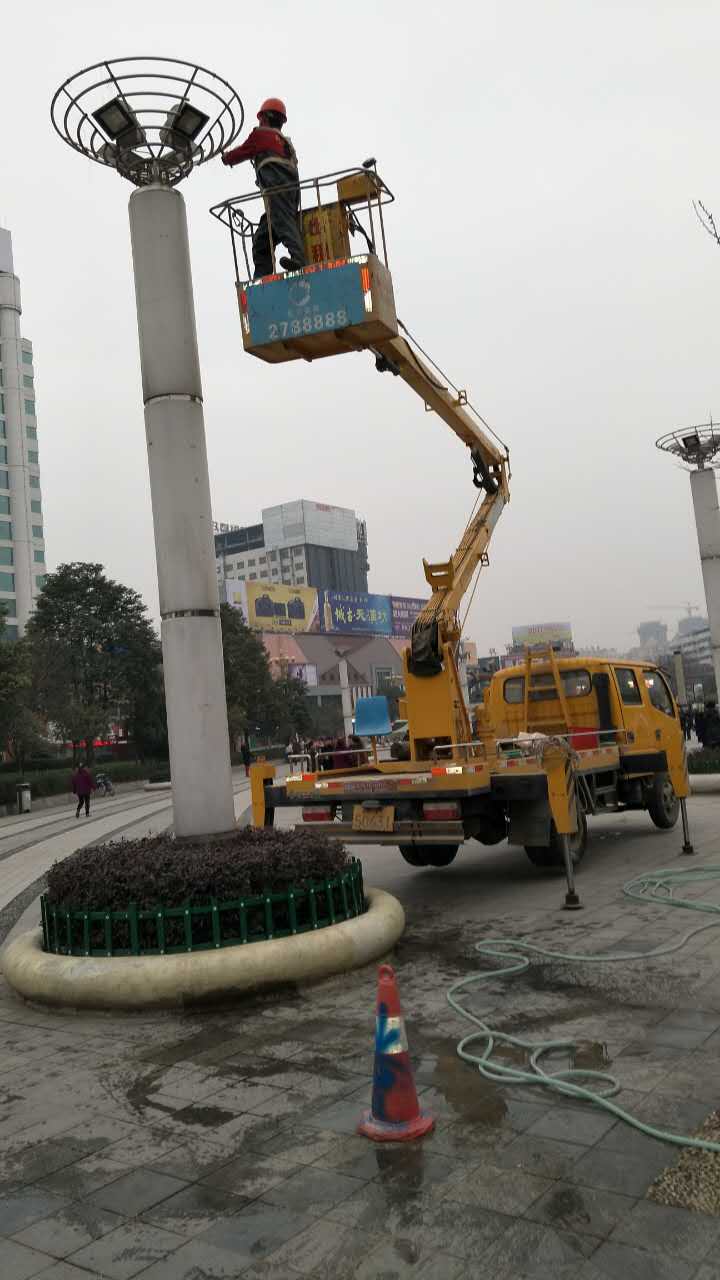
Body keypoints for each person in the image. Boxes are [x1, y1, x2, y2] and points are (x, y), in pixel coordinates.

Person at [222, 97, 306, 279]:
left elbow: (241, 152)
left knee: (282, 221)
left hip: (277, 189)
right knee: (262, 239)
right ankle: (261, 278)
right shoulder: (286, 143)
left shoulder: (260, 135)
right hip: (291, 193)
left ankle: (299, 260)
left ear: (264, 118)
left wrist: (226, 157)